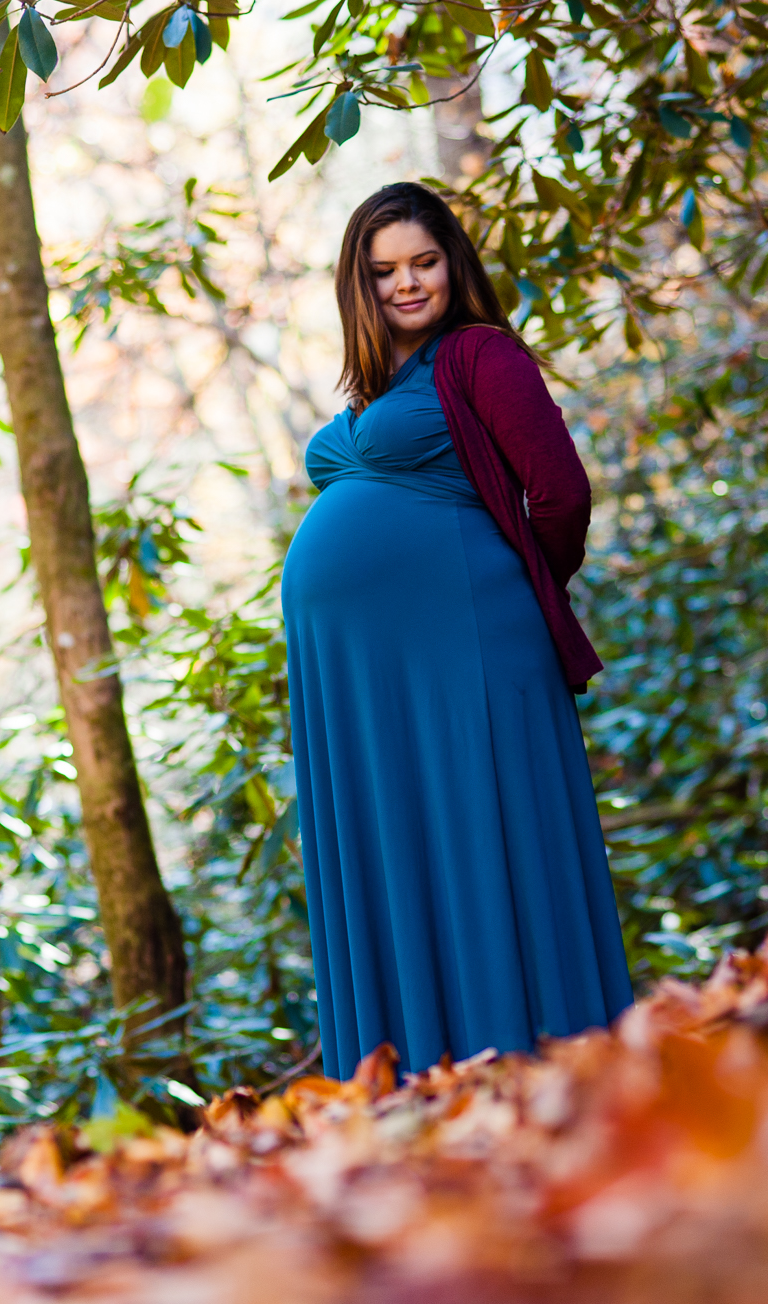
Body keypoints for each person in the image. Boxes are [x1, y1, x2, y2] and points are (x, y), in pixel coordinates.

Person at [282, 181, 634, 1081]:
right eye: (385, 269)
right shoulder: (374, 388)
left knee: (489, 841)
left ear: (453, 264)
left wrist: (507, 593)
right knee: (399, 849)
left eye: (424, 262)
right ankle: (417, 1075)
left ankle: (531, 1061)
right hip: (362, 678)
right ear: (359, 284)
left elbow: (560, 495)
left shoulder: (482, 355)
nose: (408, 284)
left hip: (470, 647)